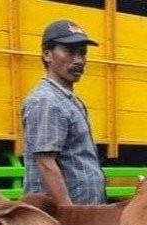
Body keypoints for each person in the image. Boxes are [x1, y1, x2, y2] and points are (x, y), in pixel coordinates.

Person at [22, 19, 105, 206]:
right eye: (69, 51)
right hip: (63, 221)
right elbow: (46, 163)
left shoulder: (67, 99)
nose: (79, 60)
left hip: (82, 214)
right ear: (47, 54)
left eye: (82, 53)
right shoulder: (46, 100)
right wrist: (70, 215)